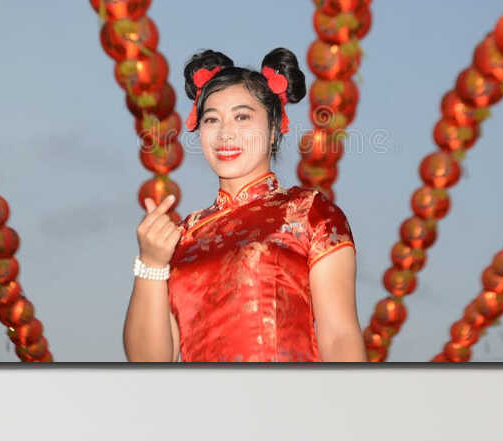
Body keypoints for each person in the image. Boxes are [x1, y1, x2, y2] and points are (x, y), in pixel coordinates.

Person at [123, 48, 362, 363]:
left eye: (242, 116)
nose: (225, 133)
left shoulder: (308, 212)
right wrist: (151, 264)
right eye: (212, 119)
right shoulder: (179, 237)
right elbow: (149, 363)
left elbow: (339, 335)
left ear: (274, 129)